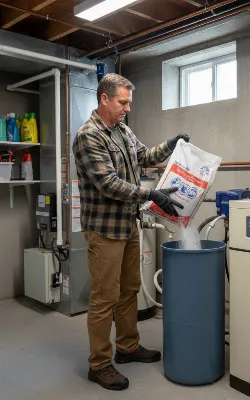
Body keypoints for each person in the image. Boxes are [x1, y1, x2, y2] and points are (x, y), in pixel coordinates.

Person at [72, 73, 189, 391]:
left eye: (129, 103)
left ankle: (127, 347)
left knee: (129, 290)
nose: (127, 108)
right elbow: (108, 184)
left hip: (127, 224)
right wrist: (151, 194)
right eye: (122, 102)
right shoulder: (88, 136)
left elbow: (142, 156)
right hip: (104, 230)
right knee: (104, 298)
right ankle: (99, 364)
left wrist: (170, 145)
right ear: (104, 99)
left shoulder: (121, 129)